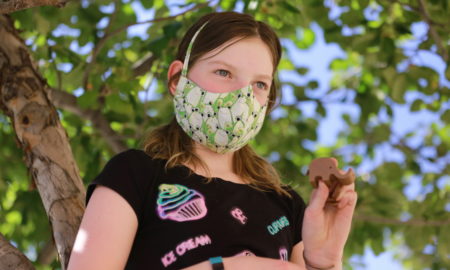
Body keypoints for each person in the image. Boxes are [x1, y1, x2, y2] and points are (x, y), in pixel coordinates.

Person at [67, 11, 357, 270]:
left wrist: (323, 263)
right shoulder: (134, 174)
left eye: (259, 84)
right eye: (223, 72)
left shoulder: (286, 204)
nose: (242, 98)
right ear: (178, 79)